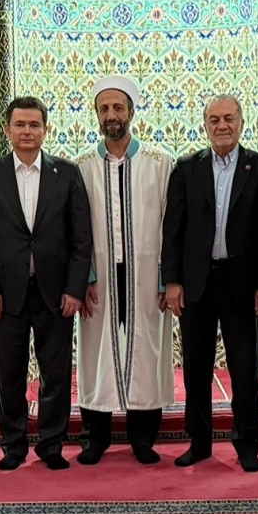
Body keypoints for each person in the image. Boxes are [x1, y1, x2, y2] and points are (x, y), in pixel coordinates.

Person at [0, 96, 91, 471]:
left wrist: (74, 288)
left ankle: (52, 444)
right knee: (10, 373)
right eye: (20, 124)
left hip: (56, 293)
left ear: (45, 130)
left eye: (34, 125)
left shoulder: (66, 173)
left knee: (56, 373)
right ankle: (14, 445)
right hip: (6, 295)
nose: (27, 131)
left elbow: (81, 237)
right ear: (7, 129)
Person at [162, 94, 258, 471]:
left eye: (229, 118)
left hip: (243, 284)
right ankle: (199, 442)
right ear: (205, 126)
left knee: (245, 369)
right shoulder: (187, 168)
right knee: (196, 368)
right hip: (196, 282)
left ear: (242, 123)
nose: (222, 126)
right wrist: (172, 281)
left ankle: (247, 445)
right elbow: (173, 229)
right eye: (214, 120)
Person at [77, 76, 175, 465]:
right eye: (104, 109)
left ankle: (143, 438)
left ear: (131, 112)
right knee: (97, 352)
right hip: (99, 276)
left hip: (146, 276)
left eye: (118, 107)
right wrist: (83, 277)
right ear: (97, 115)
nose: (111, 115)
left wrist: (167, 279)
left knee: (146, 351)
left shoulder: (159, 163)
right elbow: (76, 228)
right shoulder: (82, 166)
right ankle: (95, 437)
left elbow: (171, 223)